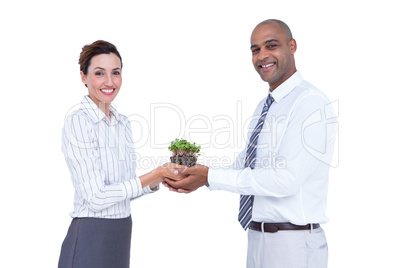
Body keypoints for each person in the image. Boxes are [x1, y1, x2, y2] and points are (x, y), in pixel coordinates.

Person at [163, 19, 338, 267]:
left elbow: (285, 179)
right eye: (255, 49)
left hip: (294, 246)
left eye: (271, 46)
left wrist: (209, 176)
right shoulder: (265, 106)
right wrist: (198, 177)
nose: (262, 56)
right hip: (257, 238)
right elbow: (246, 165)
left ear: (292, 46)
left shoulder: (310, 103)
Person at [58, 40, 176, 268]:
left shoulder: (123, 123)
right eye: (99, 73)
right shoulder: (79, 122)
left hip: (121, 233)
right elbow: (96, 197)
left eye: (116, 73)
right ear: (83, 77)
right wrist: (154, 173)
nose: (109, 82)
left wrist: (158, 178)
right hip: (90, 235)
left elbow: (123, 189)